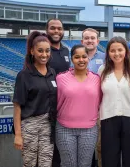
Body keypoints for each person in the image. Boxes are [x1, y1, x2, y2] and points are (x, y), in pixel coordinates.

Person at [13, 31, 57, 167]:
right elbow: (17, 107)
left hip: (48, 125)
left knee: (46, 163)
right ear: (32, 51)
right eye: (40, 51)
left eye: (47, 51)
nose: (44, 55)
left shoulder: (52, 73)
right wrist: (18, 134)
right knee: (30, 163)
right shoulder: (24, 75)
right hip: (30, 125)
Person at [55, 44, 102, 167]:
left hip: (89, 129)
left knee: (85, 164)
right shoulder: (60, 78)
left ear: (88, 58)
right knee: (68, 164)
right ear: (72, 59)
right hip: (65, 129)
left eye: (84, 57)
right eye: (77, 57)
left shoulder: (97, 79)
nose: (81, 60)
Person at [98, 36, 130, 167]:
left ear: (126, 51)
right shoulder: (102, 70)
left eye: (120, 50)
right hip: (108, 118)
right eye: (112, 50)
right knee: (110, 158)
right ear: (108, 53)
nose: (116, 54)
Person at [46, 18, 70, 167]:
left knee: (61, 150)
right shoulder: (43, 49)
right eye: (52, 28)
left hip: (63, 107)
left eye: (59, 28)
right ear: (47, 30)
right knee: (47, 150)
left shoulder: (66, 50)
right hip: (46, 107)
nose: (56, 31)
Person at [81, 28, 105, 167]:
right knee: (85, 149)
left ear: (98, 41)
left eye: (92, 38)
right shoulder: (75, 57)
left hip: (100, 109)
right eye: (86, 38)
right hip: (81, 109)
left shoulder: (105, 57)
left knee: (101, 146)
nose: (89, 40)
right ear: (82, 41)